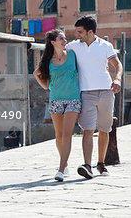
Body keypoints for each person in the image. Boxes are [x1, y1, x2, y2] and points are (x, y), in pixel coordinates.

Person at [66, 16, 123, 179]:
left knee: (104, 130)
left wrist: (117, 79)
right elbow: (58, 53)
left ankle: (101, 163)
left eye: (80, 32)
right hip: (85, 93)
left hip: (106, 91)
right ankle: (86, 165)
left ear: (90, 32)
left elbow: (117, 64)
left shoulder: (105, 46)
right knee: (88, 130)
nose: (77, 34)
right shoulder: (73, 46)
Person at [33, 29, 81, 182]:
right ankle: (65, 164)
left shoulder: (73, 55)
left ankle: (60, 169)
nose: (64, 41)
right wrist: (37, 77)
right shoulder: (47, 61)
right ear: (53, 42)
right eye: (61, 38)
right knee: (59, 136)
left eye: (65, 38)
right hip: (55, 100)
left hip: (73, 99)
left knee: (67, 135)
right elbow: (46, 86)